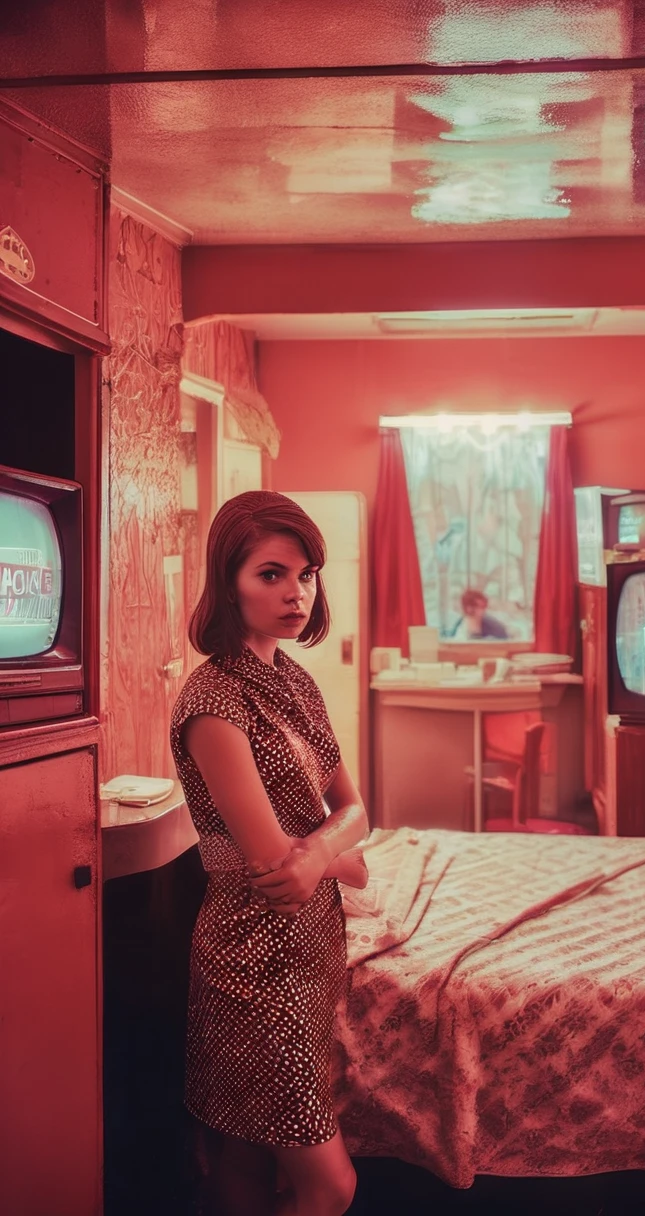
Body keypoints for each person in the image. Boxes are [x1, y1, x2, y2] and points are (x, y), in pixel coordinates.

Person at [169, 490, 370, 1216]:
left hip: (315, 944)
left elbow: (358, 813)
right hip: (256, 960)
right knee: (329, 1185)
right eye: (272, 574)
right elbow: (270, 864)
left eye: (307, 574)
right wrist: (331, 853)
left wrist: (320, 854)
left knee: (251, 1157)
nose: (296, 592)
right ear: (229, 583)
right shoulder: (213, 702)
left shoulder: (295, 680)